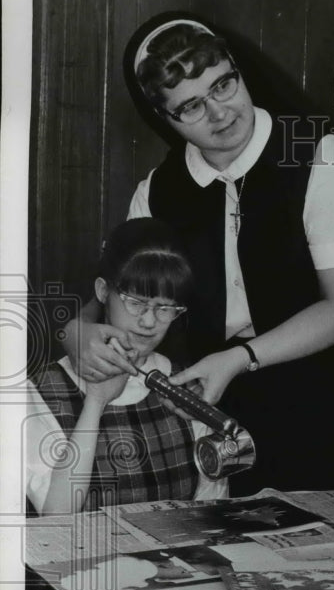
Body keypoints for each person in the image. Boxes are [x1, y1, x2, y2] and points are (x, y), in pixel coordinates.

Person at [61, 16, 334, 495]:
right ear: (164, 119)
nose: (220, 112)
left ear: (239, 71)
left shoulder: (319, 157)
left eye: (224, 84)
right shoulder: (157, 193)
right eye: (191, 106)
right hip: (227, 410)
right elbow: (123, 293)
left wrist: (239, 357)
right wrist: (77, 331)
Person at [26, 218, 225, 516]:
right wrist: (95, 402)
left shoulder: (185, 383)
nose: (149, 321)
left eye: (166, 307)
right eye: (136, 302)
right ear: (103, 291)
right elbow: (56, 517)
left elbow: (214, 508)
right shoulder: (43, 389)